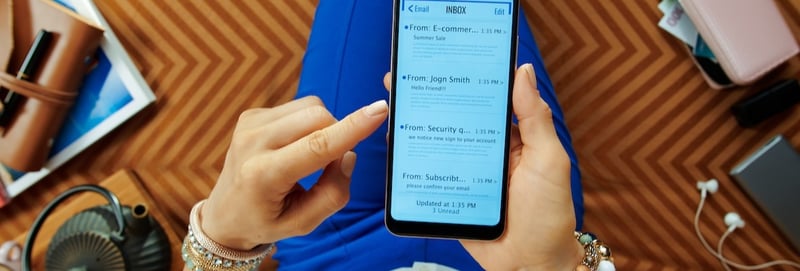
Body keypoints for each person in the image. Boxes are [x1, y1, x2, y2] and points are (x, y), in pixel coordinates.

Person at [182, 1, 612, 271]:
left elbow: (224, 242)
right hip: (514, 236)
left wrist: (220, 243)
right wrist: (552, 265)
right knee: (483, 24)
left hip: (335, 245)